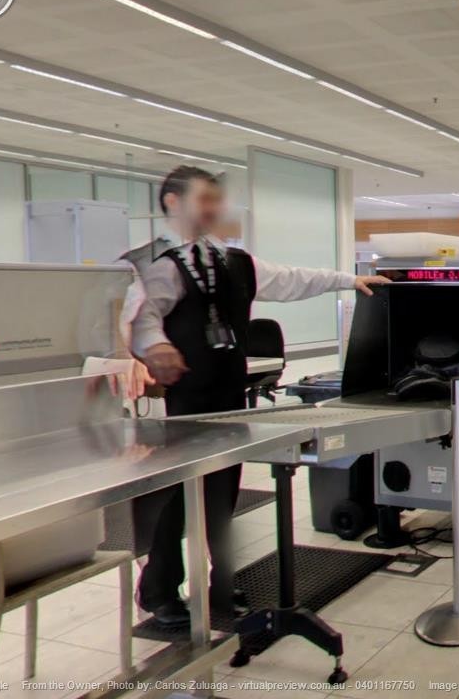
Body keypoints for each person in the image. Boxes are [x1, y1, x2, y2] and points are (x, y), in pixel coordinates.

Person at [126, 166, 389, 626]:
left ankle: (220, 585)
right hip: (181, 404)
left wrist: (349, 281)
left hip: (229, 394)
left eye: (215, 200)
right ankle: (159, 591)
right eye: (203, 199)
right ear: (172, 203)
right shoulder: (154, 264)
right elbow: (140, 317)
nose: (213, 209)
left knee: (221, 497)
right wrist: (155, 347)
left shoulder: (233, 261)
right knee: (175, 500)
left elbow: (291, 279)